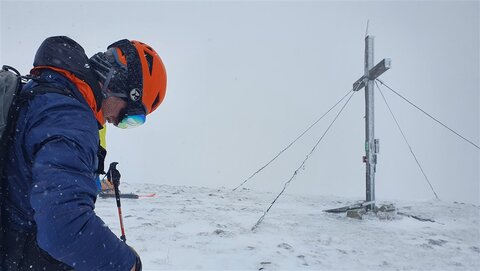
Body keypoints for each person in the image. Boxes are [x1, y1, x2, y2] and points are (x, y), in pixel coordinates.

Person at [1, 36, 167, 270]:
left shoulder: (45, 94)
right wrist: (127, 263)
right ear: (118, 86)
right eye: (130, 116)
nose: (117, 122)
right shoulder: (70, 119)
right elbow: (64, 228)